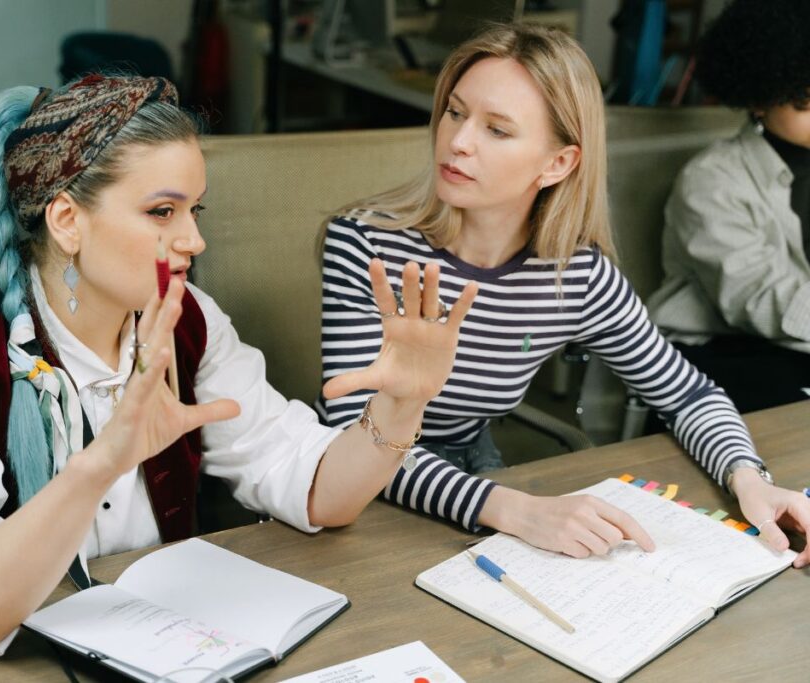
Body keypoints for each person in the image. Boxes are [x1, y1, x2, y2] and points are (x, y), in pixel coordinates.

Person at [0, 74, 477, 672]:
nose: (195, 240)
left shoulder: (190, 321)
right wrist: (103, 461)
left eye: (195, 210)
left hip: (152, 647)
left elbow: (318, 491)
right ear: (67, 221)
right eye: (161, 212)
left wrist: (403, 405)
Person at [318, 24, 810, 570]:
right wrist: (516, 511)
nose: (458, 140)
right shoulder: (365, 243)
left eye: (497, 130)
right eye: (456, 113)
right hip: (352, 485)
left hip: (477, 475)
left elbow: (687, 395)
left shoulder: (576, 275)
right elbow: (352, 432)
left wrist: (749, 478)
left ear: (557, 164)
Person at [647, 0, 810, 414]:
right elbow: (761, 299)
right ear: (760, 97)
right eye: (805, 99)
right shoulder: (711, 181)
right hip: (719, 352)